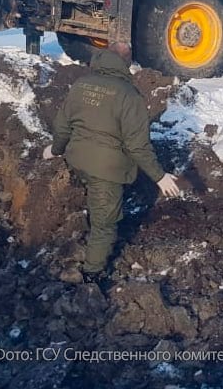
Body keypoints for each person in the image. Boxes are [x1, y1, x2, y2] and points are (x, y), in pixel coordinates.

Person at [43, 42, 182, 282]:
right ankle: (91, 275)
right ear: (126, 63)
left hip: (78, 159)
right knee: (105, 225)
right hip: (105, 170)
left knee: (98, 201)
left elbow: (63, 126)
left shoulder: (81, 85)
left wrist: (56, 150)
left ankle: (92, 218)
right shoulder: (129, 96)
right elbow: (137, 146)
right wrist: (160, 176)